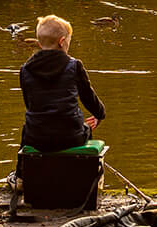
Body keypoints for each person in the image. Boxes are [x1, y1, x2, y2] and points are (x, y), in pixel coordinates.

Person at [18, 14, 107, 152]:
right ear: (62, 41)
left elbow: (30, 104)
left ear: (40, 44)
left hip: (35, 138)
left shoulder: (25, 70)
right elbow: (89, 98)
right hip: (71, 137)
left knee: (30, 128)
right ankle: (81, 169)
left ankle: (29, 170)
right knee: (86, 129)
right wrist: (99, 114)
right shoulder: (74, 66)